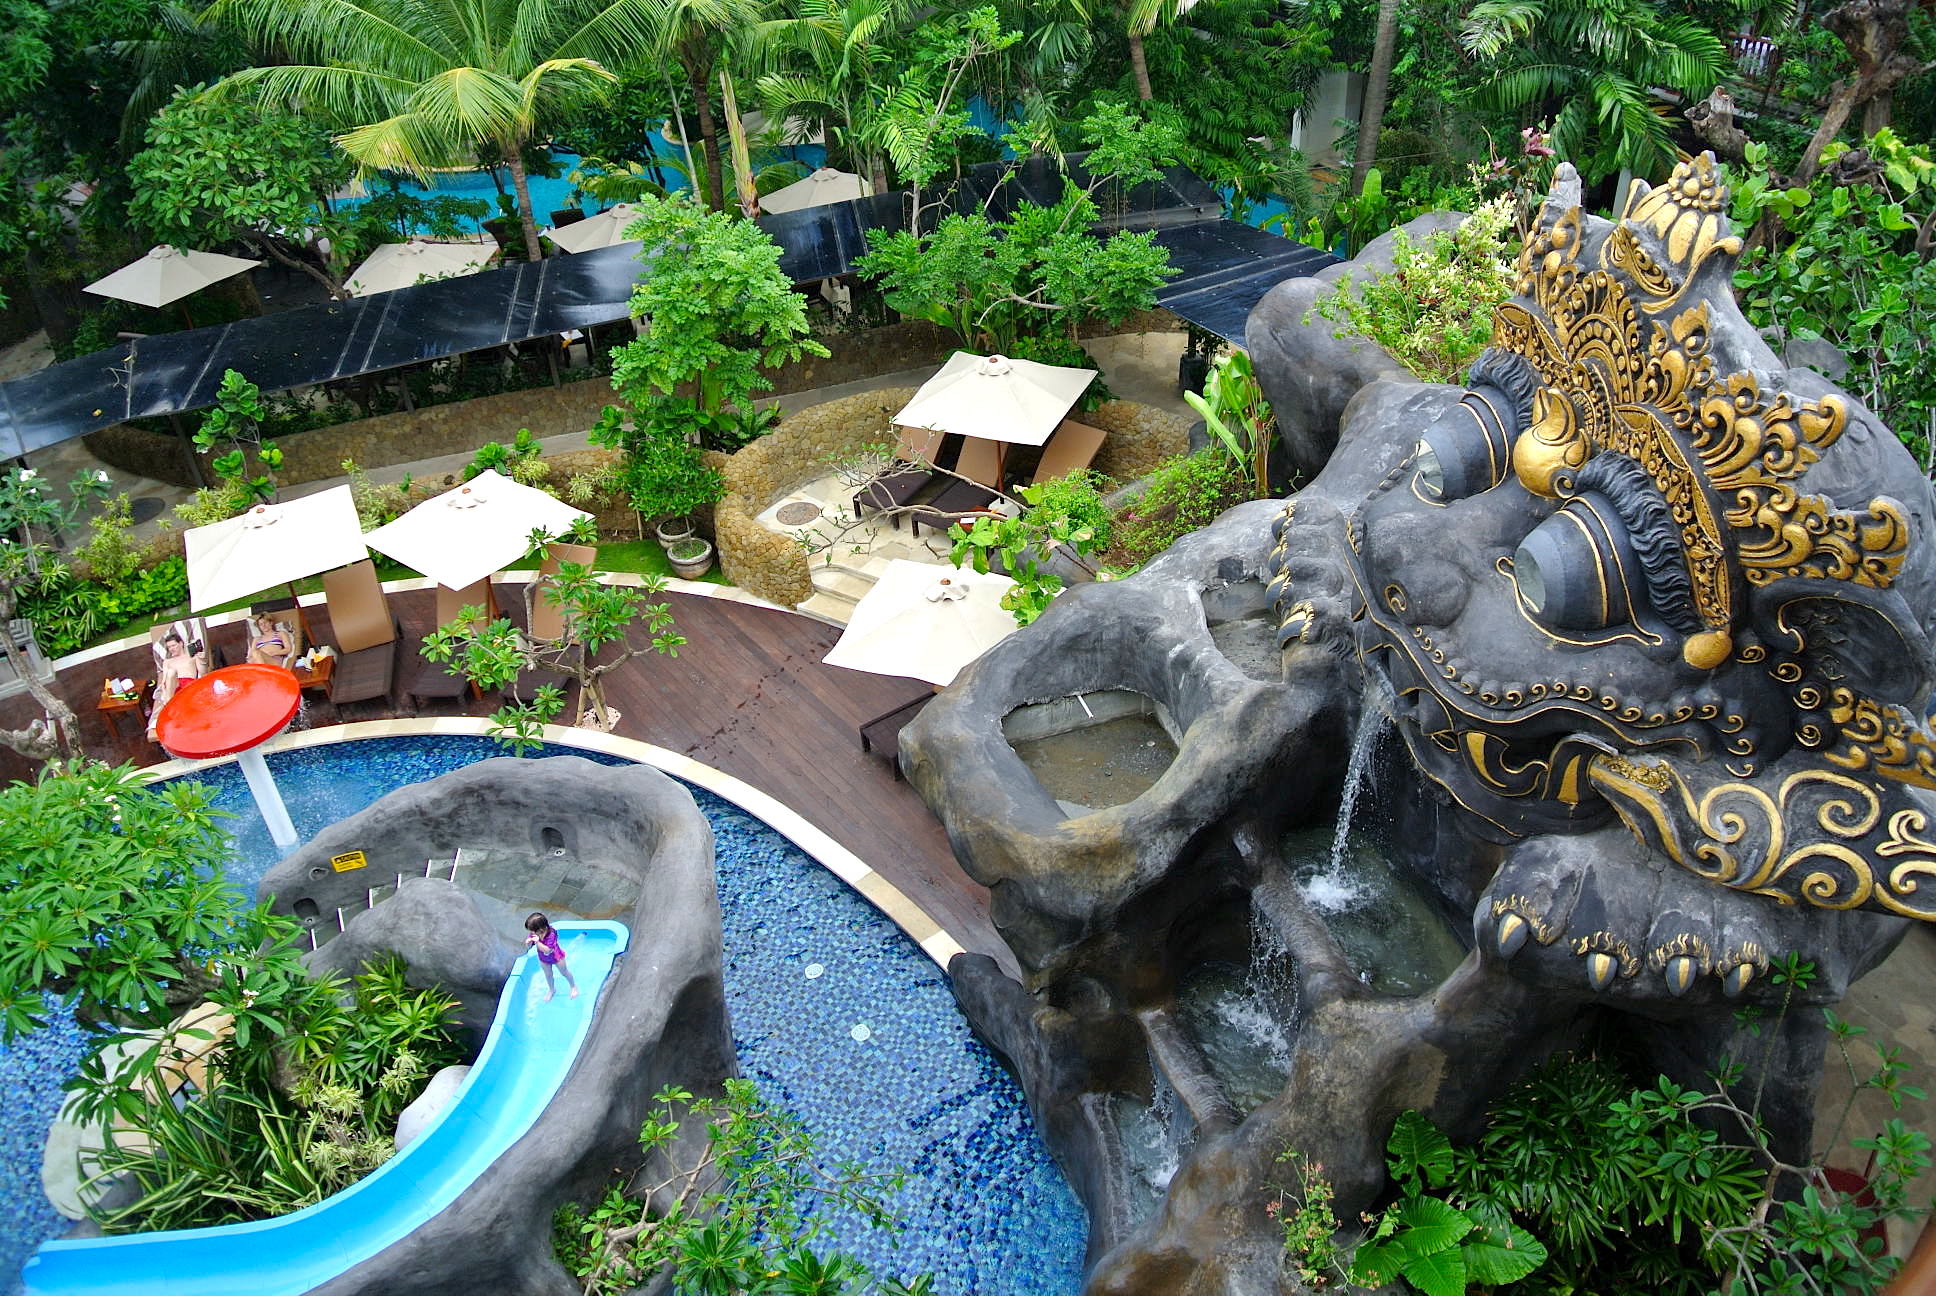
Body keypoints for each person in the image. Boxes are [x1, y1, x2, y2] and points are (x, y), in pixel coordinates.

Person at [148, 629, 208, 738]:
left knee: (172, 672)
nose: (171, 649)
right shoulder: (167, 662)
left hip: (188, 685)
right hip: (173, 686)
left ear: (181, 643)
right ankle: (169, 703)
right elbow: (164, 680)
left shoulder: (192, 657)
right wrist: (164, 692)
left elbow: (203, 673)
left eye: (173, 645)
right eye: (169, 647)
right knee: (171, 672)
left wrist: (202, 659)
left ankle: (169, 707)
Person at [524, 912, 578, 1000]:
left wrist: (537, 942)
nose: (531, 933)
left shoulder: (551, 934)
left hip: (557, 957)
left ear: (540, 929)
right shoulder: (535, 933)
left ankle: (573, 987)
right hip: (543, 958)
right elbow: (531, 942)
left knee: (564, 972)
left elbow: (547, 950)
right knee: (548, 975)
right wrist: (529, 941)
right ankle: (552, 990)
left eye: (532, 930)